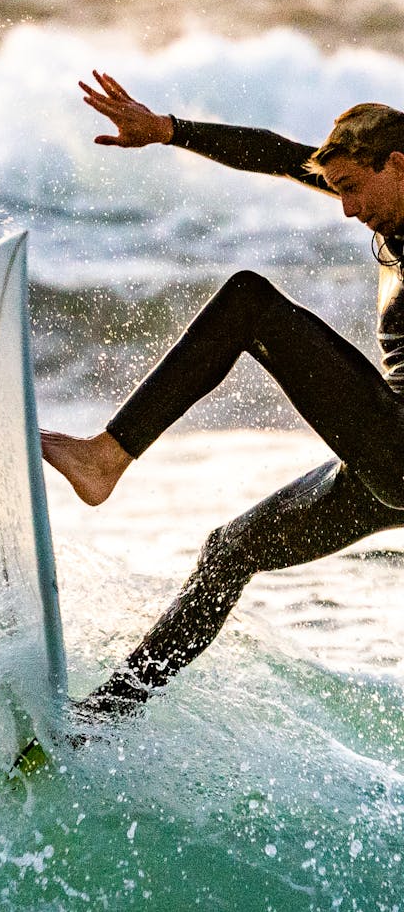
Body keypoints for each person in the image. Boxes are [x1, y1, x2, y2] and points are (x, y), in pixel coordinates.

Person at [42, 71, 404, 718]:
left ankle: (106, 457)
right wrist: (168, 131)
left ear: (398, 164)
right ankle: (99, 720)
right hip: (389, 454)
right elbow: (274, 153)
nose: (346, 208)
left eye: (353, 189)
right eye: (337, 189)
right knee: (230, 550)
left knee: (250, 305)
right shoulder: (384, 205)